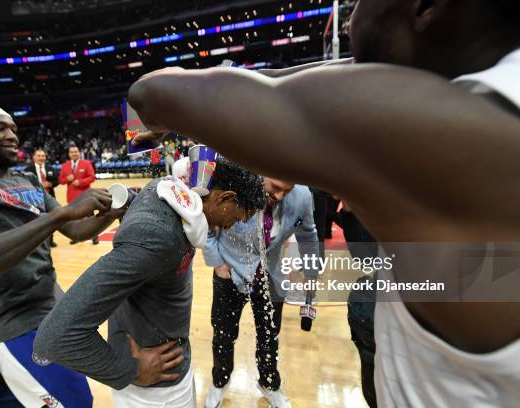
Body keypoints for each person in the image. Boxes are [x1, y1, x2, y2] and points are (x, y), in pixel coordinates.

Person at [126, 1, 520, 406]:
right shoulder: (489, 103)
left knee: (286, 331)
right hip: (242, 277)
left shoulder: (455, 131)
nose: (351, 15)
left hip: (276, 279)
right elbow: (302, 79)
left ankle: (269, 383)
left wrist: (170, 111)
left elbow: (152, 94)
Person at [34, 157, 265, 408]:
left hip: (173, 366)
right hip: (154, 392)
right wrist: (129, 369)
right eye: (239, 216)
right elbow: (56, 336)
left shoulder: (168, 193)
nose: (234, 224)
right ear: (224, 197)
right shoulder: (155, 235)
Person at [0, 105, 125, 407]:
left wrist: (114, 211)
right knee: (76, 402)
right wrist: (58, 215)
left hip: (52, 312)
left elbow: (75, 229)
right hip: (14, 324)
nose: (11, 136)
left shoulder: (29, 182)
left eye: (13, 129)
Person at [203, 177, 318, 408]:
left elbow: (308, 234)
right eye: (276, 187)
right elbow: (204, 223)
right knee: (223, 334)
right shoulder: (232, 184)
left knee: (269, 337)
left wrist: (311, 271)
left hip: (270, 276)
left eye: (287, 190)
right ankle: (219, 380)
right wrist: (217, 263)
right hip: (229, 270)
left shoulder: (303, 196)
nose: (279, 196)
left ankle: (269, 383)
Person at [59, 145, 98, 244]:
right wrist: (67, 179)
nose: (74, 153)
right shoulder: (65, 165)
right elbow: (61, 180)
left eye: (76, 151)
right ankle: (75, 237)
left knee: (91, 218)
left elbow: (92, 177)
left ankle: (95, 237)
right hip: (72, 197)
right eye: (72, 152)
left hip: (86, 196)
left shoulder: (86, 163)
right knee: (75, 219)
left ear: (79, 152)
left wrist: (80, 182)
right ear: (69, 154)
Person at [25, 148, 60, 247]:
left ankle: (51, 240)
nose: (41, 158)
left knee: (52, 219)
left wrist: (50, 184)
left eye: (43, 156)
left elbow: (57, 181)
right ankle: (38, 242)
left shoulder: (50, 168)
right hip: (34, 199)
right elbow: (24, 183)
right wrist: (37, 186)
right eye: (39, 156)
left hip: (49, 198)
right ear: (34, 157)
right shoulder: (28, 170)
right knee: (36, 220)